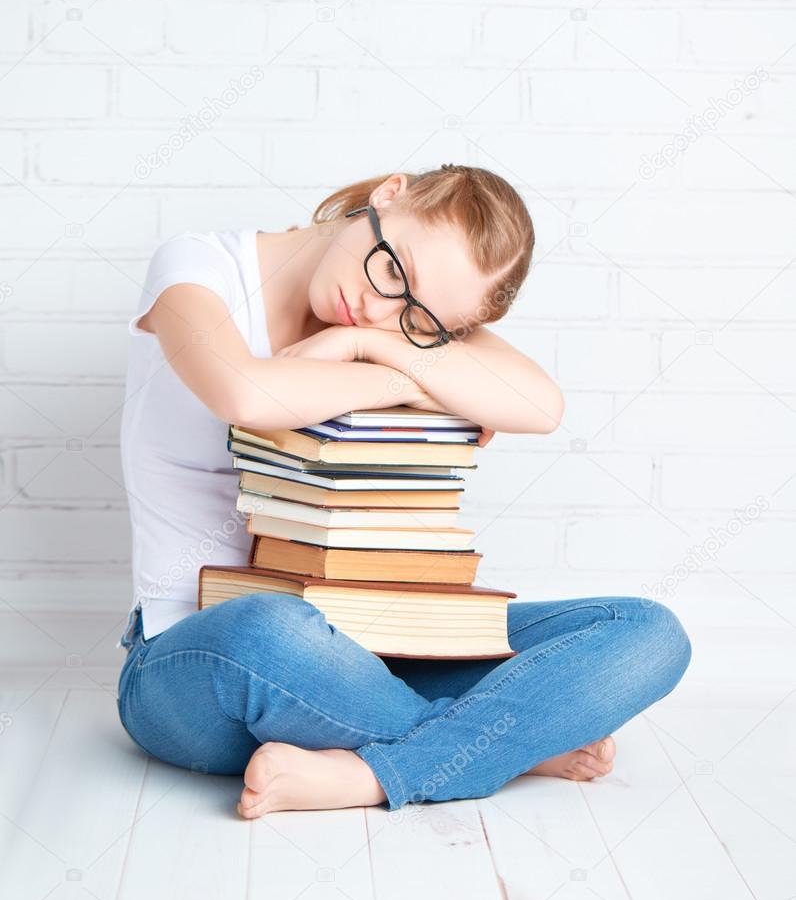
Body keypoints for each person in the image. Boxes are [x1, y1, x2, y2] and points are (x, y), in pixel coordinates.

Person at [116, 165, 692, 817]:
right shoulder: (198, 266)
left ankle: (375, 773)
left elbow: (540, 403)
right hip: (197, 663)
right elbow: (248, 391)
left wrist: (364, 344)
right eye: (394, 269)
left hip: (371, 657)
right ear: (388, 195)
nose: (378, 306)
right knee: (272, 627)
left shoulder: (390, 329)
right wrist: (409, 382)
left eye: (415, 315)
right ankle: (507, 742)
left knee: (647, 630)